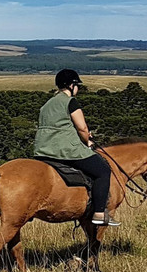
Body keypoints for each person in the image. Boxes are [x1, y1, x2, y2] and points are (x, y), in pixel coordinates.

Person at [33, 69, 119, 226]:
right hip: (65, 150)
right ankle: (99, 213)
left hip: (42, 150)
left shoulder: (47, 104)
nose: (77, 89)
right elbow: (82, 129)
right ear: (71, 85)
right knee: (103, 171)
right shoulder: (70, 102)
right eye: (77, 85)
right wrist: (88, 142)